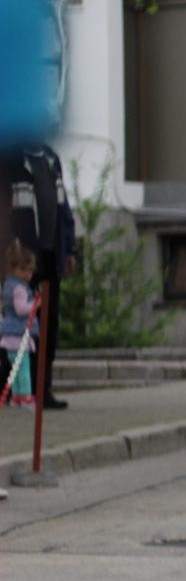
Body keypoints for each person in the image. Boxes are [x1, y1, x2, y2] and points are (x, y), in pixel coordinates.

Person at [3, 146, 77, 409]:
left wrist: (69, 248)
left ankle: (43, 390)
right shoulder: (11, 158)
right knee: (17, 327)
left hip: (50, 255)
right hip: (21, 259)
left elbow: (64, 208)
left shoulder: (51, 159)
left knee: (48, 326)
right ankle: (16, 390)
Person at [2, 239, 40, 409]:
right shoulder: (19, 288)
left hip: (11, 334)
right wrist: (36, 304)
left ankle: (17, 396)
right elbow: (21, 309)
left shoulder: (9, 285)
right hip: (19, 334)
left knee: (15, 367)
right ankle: (25, 395)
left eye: (30, 271)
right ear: (13, 268)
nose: (28, 275)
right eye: (24, 270)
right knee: (23, 366)